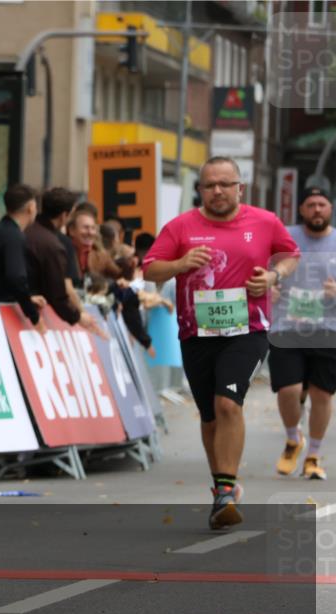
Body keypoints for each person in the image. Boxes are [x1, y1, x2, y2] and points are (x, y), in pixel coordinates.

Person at [142, 156, 300, 530]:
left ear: (239, 187)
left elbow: (290, 254)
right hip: (197, 333)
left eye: (225, 184)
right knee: (211, 416)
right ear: (200, 190)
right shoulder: (181, 227)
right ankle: (222, 489)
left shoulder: (264, 222)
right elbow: (150, 268)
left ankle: (226, 491)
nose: (217, 191)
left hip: (248, 330)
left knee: (228, 402)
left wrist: (274, 276)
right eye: (209, 185)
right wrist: (180, 264)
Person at [269, 186, 335, 481]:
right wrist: (270, 287)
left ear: (330, 209)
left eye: (322, 204)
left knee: (322, 394)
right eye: (311, 204)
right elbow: (265, 268)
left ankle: (313, 456)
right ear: (301, 210)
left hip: (327, 329)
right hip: (287, 326)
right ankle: (293, 438)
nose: (317, 209)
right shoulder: (285, 236)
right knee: (289, 390)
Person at [25, 187, 103, 335]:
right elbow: (59, 292)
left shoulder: (26, 230)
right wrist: (78, 316)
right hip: (32, 319)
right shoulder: (54, 245)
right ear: (64, 216)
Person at [0, 183, 45, 331]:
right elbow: (16, 278)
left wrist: (26, 299)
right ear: (31, 207)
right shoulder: (14, 237)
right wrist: (33, 315)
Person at [68, 202, 121, 286]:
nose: (90, 232)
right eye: (85, 228)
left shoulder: (100, 255)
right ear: (72, 230)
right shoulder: (62, 252)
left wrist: (129, 266)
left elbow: (118, 274)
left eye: (93, 228)